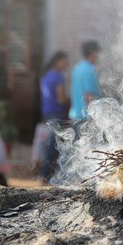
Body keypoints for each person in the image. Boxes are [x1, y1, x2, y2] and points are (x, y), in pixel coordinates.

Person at [39, 51, 68, 183]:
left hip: (47, 113)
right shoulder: (58, 76)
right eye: (64, 61)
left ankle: (47, 174)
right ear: (58, 61)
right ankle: (46, 174)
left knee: (52, 144)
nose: (66, 64)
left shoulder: (46, 76)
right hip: (56, 113)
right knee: (54, 145)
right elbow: (61, 99)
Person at [69, 41, 100, 120]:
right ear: (93, 53)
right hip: (85, 117)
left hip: (75, 114)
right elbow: (89, 95)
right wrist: (94, 117)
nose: (99, 56)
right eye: (98, 52)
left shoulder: (77, 67)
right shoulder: (88, 70)